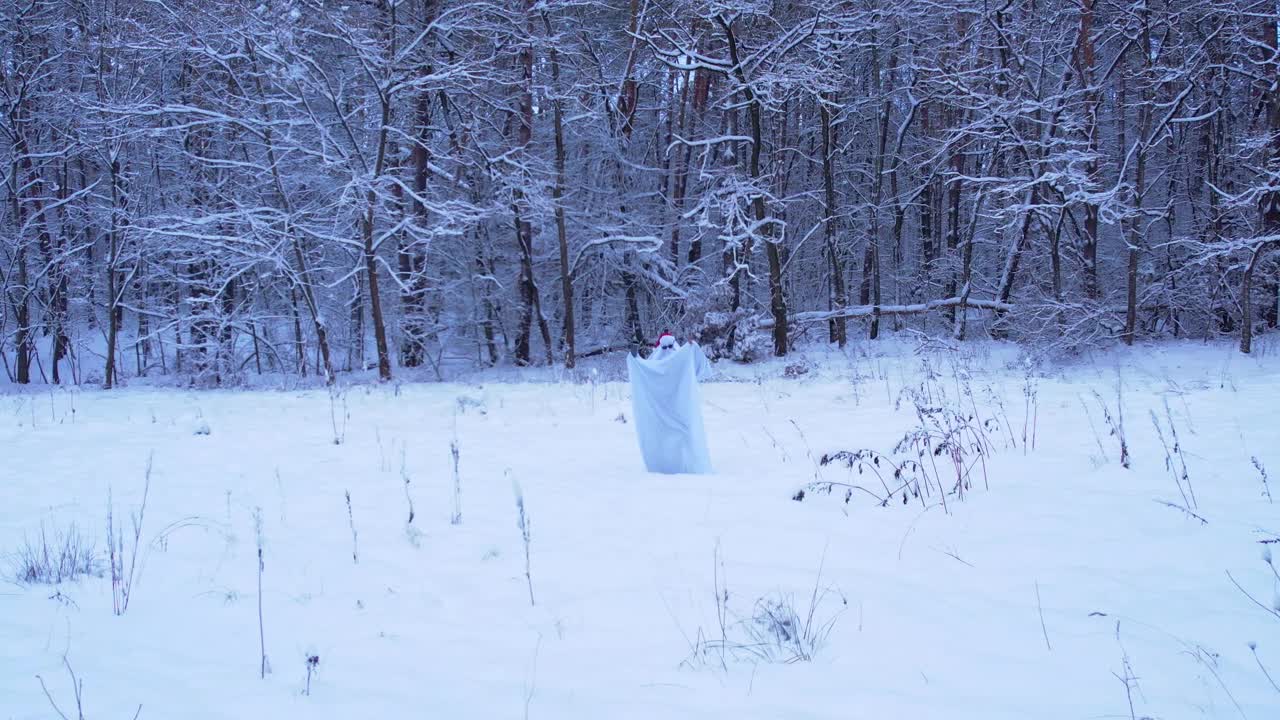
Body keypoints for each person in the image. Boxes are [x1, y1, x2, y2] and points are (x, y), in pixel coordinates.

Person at [626, 332, 713, 474]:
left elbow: (698, 367)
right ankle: (671, 466)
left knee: (680, 436)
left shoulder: (678, 358)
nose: (667, 350)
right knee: (674, 436)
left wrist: (692, 348)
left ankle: (682, 465)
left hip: (679, 410)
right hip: (673, 412)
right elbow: (644, 369)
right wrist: (635, 359)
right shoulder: (671, 359)